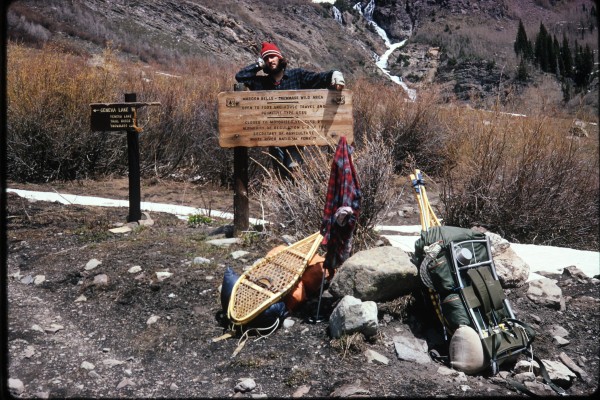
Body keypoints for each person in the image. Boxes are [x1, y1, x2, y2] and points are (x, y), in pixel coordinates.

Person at [235, 42, 345, 180]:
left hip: (296, 136)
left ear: (280, 58)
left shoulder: (297, 75)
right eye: (266, 58)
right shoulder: (262, 83)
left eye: (273, 56)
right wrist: (258, 65)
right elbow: (241, 77)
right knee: (280, 175)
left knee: (296, 173)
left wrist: (334, 74)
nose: (270, 60)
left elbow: (318, 78)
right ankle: (283, 199)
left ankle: (297, 198)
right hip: (273, 137)